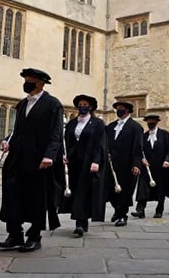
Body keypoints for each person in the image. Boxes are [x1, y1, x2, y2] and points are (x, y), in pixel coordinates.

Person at [0, 68, 63, 252]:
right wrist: (6, 140)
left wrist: (50, 155)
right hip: (17, 157)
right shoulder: (22, 104)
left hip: (38, 159)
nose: (26, 83)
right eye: (25, 80)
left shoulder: (52, 104)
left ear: (40, 83)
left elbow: (57, 132)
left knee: (36, 198)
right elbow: (17, 130)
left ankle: (34, 236)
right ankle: (14, 233)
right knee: (12, 194)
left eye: (30, 80)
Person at [60, 95, 107, 237]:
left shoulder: (98, 124)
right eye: (80, 104)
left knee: (85, 191)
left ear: (91, 107)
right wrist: (63, 156)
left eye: (85, 104)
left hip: (89, 162)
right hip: (74, 163)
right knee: (75, 191)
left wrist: (96, 161)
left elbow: (101, 144)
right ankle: (79, 220)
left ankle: (81, 223)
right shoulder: (72, 123)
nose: (82, 106)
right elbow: (65, 141)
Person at [106, 100, 143, 227]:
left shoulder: (136, 127)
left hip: (128, 164)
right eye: (117, 108)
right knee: (111, 190)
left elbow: (138, 147)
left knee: (125, 191)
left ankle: (123, 215)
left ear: (128, 110)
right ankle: (117, 209)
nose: (119, 110)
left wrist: (136, 164)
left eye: (121, 108)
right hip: (112, 164)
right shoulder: (111, 127)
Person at [133, 114, 169, 219]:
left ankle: (159, 210)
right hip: (146, 167)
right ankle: (140, 210)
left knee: (160, 189)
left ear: (157, 122)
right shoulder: (144, 136)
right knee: (142, 187)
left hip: (160, 167)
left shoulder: (164, 134)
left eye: (152, 121)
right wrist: (142, 159)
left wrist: (167, 160)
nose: (150, 123)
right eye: (149, 121)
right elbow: (139, 150)